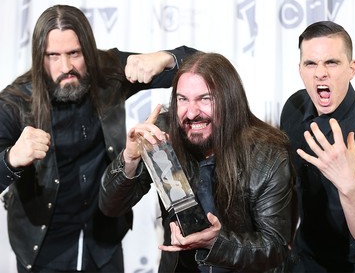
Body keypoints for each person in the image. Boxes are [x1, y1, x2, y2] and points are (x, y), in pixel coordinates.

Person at [0, 4, 196, 272]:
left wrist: (168, 58)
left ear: (89, 51)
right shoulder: (16, 102)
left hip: (103, 243)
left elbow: (204, 69)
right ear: (39, 57)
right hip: (43, 249)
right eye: (53, 56)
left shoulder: (109, 72)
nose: (66, 66)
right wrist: (10, 159)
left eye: (74, 53)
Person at [100, 52, 296, 272]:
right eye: (182, 99)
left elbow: (276, 247)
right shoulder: (163, 135)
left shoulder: (268, 154)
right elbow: (111, 206)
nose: (191, 113)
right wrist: (130, 158)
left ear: (229, 100)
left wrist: (215, 242)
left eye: (205, 99)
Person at [280, 21, 355, 272]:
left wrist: (349, 185)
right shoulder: (293, 107)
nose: (320, 72)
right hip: (304, 257)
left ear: (351, 69)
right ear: (300, 69)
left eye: (332, 62)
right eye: (311, 63)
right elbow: (290, 185)